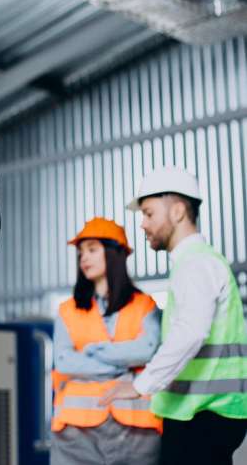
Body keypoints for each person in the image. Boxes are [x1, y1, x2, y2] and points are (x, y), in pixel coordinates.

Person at [100, 167, 247, 465]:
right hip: (207, 413)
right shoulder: (198, 263)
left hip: (201, 415)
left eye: (149, 213)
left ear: (178, 211)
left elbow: (190, 332)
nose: (142, 224)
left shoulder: (195, 264)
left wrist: (142, 385)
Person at [50, 217, 162, 465]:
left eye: (92, 249)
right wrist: (123, 367)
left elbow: (149, 349)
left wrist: (94, 352)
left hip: (135, 431)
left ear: (114, 254)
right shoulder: (68, 310)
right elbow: (64, 361)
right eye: (80, 253)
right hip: (75, 433)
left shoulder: (144, 305)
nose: (84, 259)